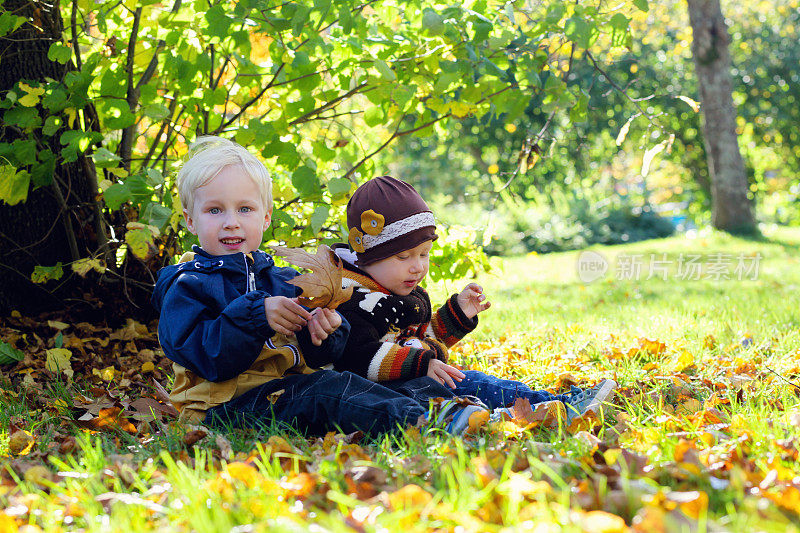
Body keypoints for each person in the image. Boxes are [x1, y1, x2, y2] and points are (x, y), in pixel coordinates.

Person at [151, 138, 485, 436]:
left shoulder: (282, 279)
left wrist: (327, 331)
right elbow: (208, 359)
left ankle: (448, 404)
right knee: (324, 392)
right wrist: (255, 316)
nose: (231, 221)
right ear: (190, 219)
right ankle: (424, 421)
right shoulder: (185, 285)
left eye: (245, 208)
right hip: (220, 408)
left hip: (281, 391)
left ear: (265, 217)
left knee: (344, 382)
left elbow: (321, 357)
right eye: (214, 210)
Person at [332, 176, 616, 424]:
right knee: (475, 386)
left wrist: (456, 315)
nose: (417, 266)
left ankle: (555, 403)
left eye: (424, 254)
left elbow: (417, 336)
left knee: (481, 383)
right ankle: (553, 409)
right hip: (394, 394)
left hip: (420, 377)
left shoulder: (401, 293)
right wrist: (420, 364)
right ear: (367, 255)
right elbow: (357, 356)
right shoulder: (352, 299)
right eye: (403, 257)